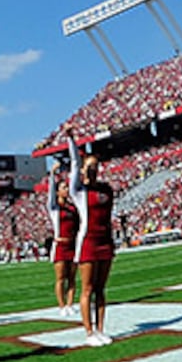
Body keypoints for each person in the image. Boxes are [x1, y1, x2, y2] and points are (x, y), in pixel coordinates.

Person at [66, 128, 115, 345]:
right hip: (87, 242)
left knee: (101, 290)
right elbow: (75, 165)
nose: (92, 170)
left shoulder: (107, 189)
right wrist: (71, 140)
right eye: (89, 167)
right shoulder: (78, 191)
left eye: (95, 167)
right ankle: (88, 332)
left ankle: (101, 329)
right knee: (86, 288)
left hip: (106, 242)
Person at [43, 160, 78, 317]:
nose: (66, 190)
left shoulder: (72, 207)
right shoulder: (54, 208)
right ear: (58, 192)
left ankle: (70, 304)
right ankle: (61, 305)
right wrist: (52, 174)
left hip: (72, 245)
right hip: (60, 245)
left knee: (72, 277)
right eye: (63, 188)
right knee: (60, 278)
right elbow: (50, 193)